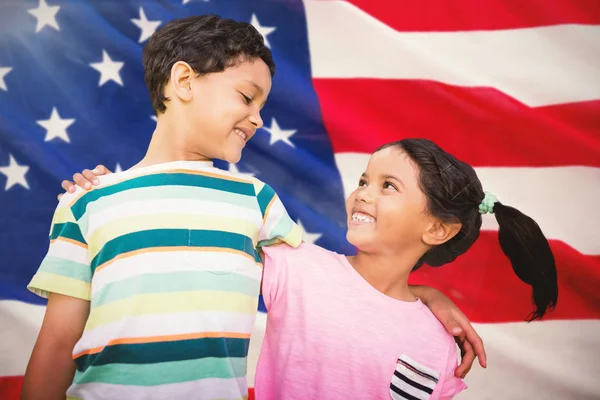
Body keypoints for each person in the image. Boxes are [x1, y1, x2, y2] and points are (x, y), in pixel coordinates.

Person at [22, 15, 485, 400]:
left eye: (261, 104)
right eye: (246, 97)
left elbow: (342, 281)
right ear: (183, 81)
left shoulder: (257, 204)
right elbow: (57, 344)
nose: (258, 118)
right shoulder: (88, 202)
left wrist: (424, 297)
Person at [62, 137, 558, 399]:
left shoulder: (436, 344)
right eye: (364, 178)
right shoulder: (296, 266)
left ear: (438, 230)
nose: (362, 192)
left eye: (389, 186)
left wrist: (427, 299)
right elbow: (197, 229)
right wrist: (111, 194)